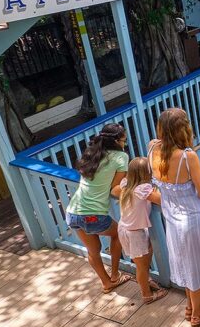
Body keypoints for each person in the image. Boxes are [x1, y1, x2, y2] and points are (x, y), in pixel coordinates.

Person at [149, 108, 200, 327]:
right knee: (196, 267)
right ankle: (197, 315)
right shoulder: (187, 156)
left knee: (186, 263)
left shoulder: (152, 148)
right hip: (194, 218)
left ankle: (191, 306)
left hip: (172, 218)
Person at [65, 123, 131, 294]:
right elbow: (115, 188)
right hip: (93, 215)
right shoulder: (121, 157)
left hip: (73, 213)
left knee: (93, 251)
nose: (125, 144)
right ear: (116, 141)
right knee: (117, 233)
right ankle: (115, 274)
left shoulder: (91, 153)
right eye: (124, 140)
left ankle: (106, 283)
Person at [112, 157, 168, 305]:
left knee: (142, 263)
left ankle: (146, 281)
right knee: (142, 267)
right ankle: (147, 295)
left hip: (124, 228)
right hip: (135, 233)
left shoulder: (126, 184)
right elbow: (163, 200)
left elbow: (114, 188)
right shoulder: (143, 189)